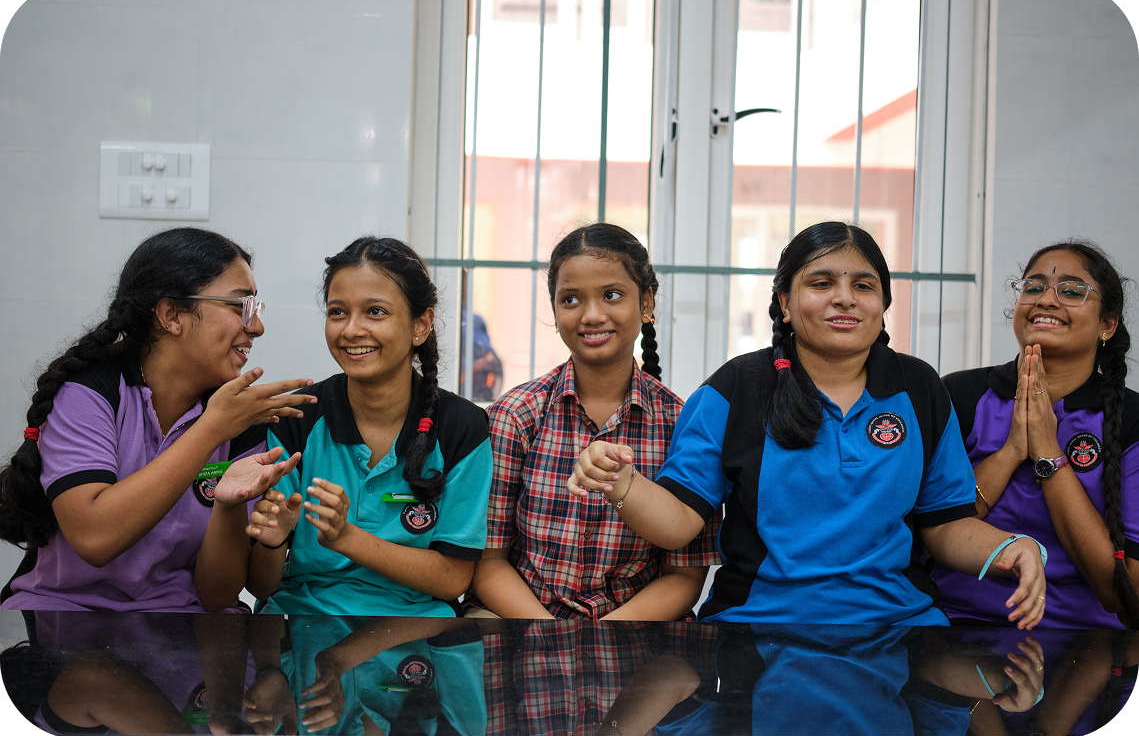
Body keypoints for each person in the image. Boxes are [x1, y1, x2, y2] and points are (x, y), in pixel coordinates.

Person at [568, 221, 1048, 627]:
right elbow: (678, 525)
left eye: (863, 286)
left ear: (883, 303)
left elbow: (945, 526)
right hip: (757, 630)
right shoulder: (735, 388)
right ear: (784, 302)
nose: (845, 299)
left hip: (900, 629)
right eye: (821, 284)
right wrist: (622, 482)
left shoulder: (918, 387)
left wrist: (1012, 547)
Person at [0, 227, 313, 613]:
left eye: (256, 308)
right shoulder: (93, 389)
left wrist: (229, 506)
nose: (256, 327)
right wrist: (211, 429)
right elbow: (95, 539)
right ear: (171, 315)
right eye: (240, 306)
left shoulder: (239, 418)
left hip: (179, 619)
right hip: (63, 612)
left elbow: (217, 597)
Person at [466, 222, 719, 620]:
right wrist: (552, 635)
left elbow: (684, 576)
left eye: (612, 295)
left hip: (636, 628)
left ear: (646, 303)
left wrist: (604, 635)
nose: (592, 315)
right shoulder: (514, 416)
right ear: (554, 311)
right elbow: (489, 561)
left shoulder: (681, 424)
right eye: (571, 299)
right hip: (524, 620)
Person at [245, 236, 493, 616]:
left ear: (421, 324)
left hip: (417, 627)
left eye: (375, 312)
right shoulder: (297, 418)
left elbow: (453, 578)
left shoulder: (461, 427)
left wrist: (347, 537)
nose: (351, 330)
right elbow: (261, 586)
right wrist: (273, 543)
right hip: (303, 620)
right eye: (338, 312)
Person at [932, 241, 1139, 629]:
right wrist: (1011, 452)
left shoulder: (1131, 418)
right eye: (1033, 287)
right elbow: (932, 532)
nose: (1045, 300)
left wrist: (1048, 454)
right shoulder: (960, 394)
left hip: (1085, 639)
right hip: (956, 624)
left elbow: (1127, 595)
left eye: (1072, 291)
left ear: (1107, 325)